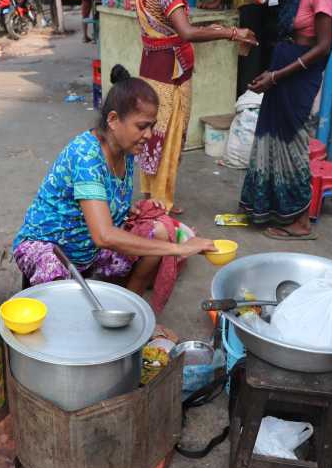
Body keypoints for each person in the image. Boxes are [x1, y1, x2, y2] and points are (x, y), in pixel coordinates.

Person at [13, 65, 217, 296]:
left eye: (151, 126)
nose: (149, 135)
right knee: (62, 292)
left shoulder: (126, 151)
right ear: (113, 119)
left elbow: (102, 200)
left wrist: (129, 209)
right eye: (142, 126)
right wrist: (178, 248)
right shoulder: (86, 156)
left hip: (88, 248)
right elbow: (104, 235)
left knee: (159, 231)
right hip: (48, 246)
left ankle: (131, 303)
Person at [134, 0, 257, 214]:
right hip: (170, 75)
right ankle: (160, 205)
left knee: (153, 137)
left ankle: (151, 198)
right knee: (169, 139)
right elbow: (186, 33)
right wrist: (232, 33)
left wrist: (210, 29)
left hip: (151, 69)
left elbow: (172, 27)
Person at [239, 0, 332, 240]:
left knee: (292, 143)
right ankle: (271, 207)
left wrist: (276, 76)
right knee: (271, 139)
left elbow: (324, 46)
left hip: (299, 75)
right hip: (283, 67)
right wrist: (272, 73)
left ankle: (301, 221)